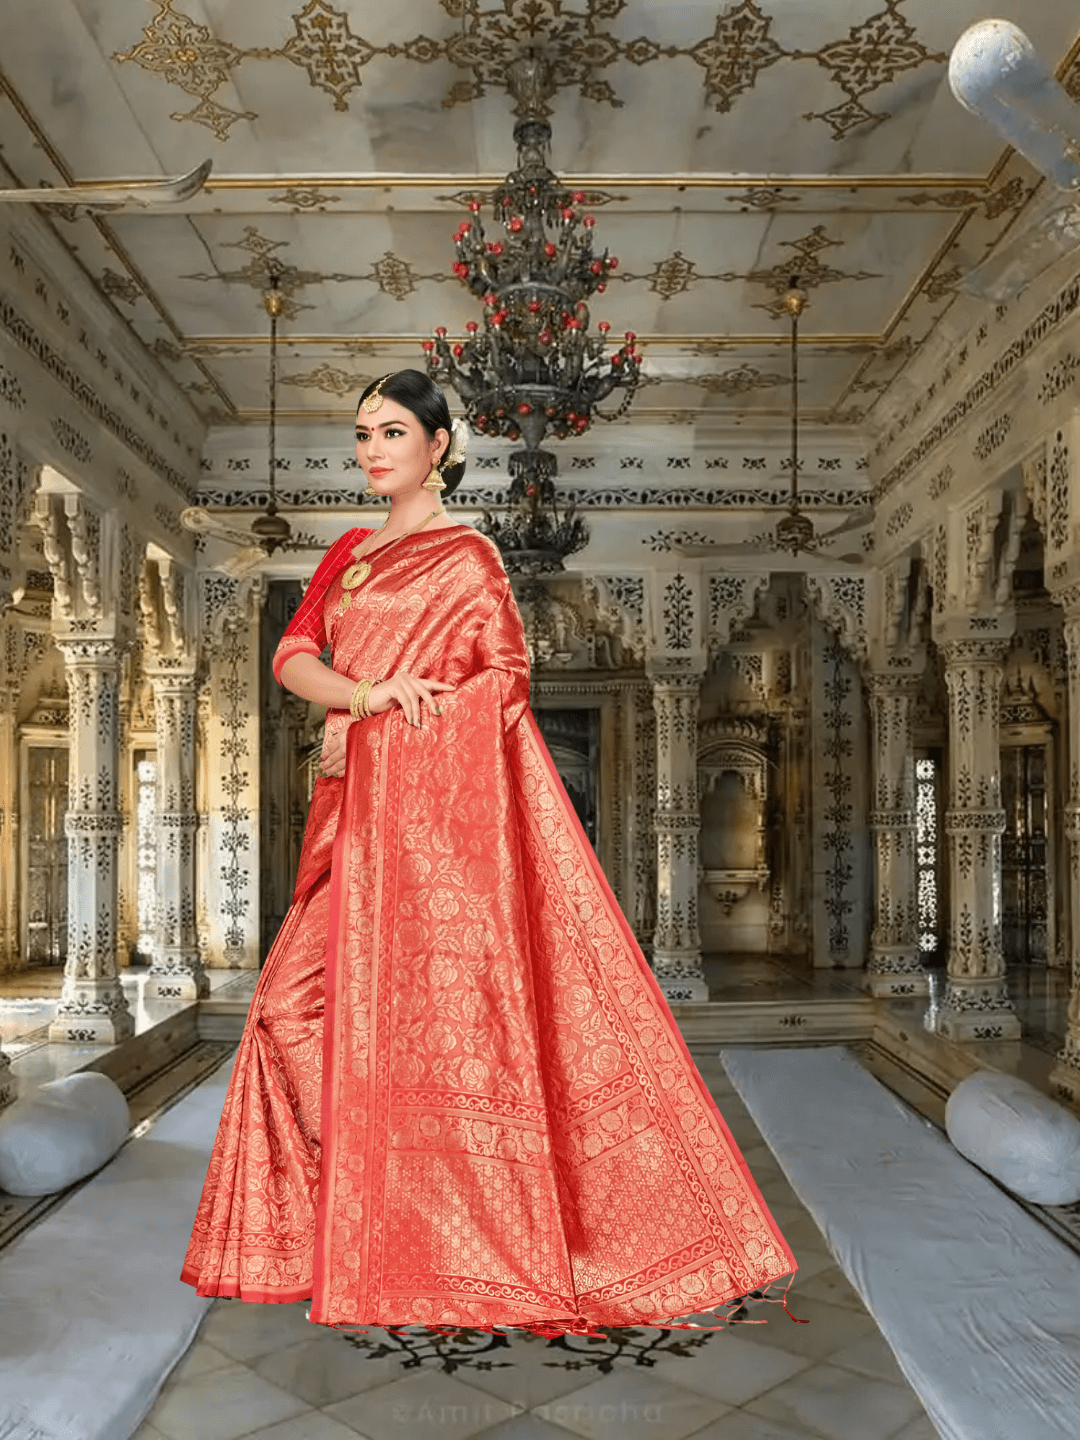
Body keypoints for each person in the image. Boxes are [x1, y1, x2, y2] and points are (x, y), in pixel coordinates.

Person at [181, 369, 797, 1337]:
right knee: (284, 1014)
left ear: (439, 445)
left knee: (444, 1036)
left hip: (428, 835)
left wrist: (382, 728)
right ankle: (357, 1213)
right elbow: (292, 658)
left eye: (391, 431)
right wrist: (364, 702)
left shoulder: (469, 561)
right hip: (348, 824)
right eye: (361, 433)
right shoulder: (345, 553)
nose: (370, 449)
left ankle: (419, 1231)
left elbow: (504, 684)